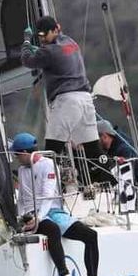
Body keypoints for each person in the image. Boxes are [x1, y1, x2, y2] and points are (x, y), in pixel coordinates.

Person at [10, 132, 111, 276]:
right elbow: (22, 200)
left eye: (17, 154)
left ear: (26, 153)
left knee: (90, 236)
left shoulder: (48, 165)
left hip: (51, 211)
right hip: (33, 214)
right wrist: (20, 220)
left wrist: (39, 218)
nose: (16, 158)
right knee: (52, 230)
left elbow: (48, 195)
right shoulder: (22, 170)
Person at [20, 16, 112, 185]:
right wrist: (38, 49)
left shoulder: (48, 51)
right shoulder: (71, 43)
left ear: (55, 30)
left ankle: (46, 188)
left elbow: (27, 60)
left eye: (43, 35)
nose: (41, 39)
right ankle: (113, 180)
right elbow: (55, 54)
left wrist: (26, 42)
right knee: (93, 148)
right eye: (38, 36)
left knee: (51, 149)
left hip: (67, 101)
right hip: (85, 99)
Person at [96, 119, 138, 183]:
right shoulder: (110, 148)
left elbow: (126, 178)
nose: (96, 142)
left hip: (136, 187)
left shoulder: (124, 150)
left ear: (105, 136)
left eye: (97, 138)